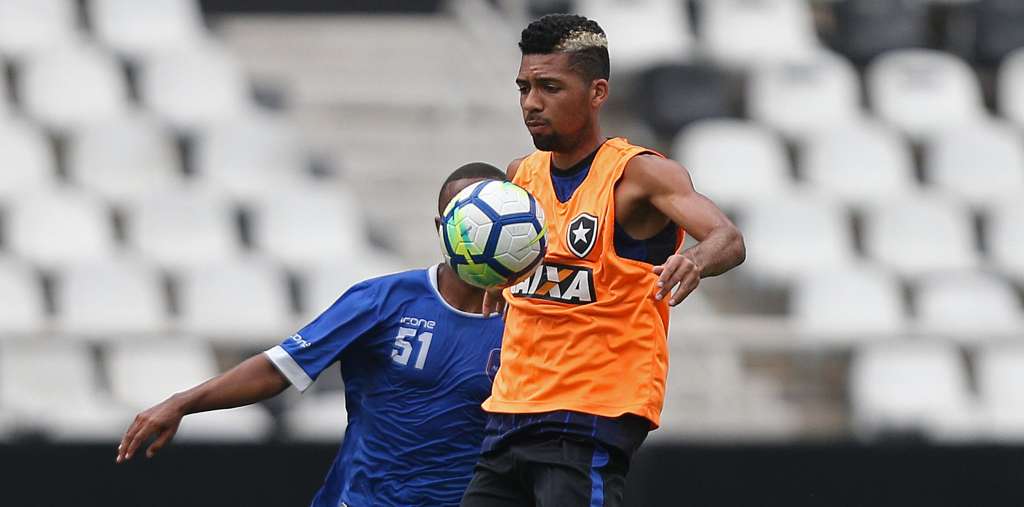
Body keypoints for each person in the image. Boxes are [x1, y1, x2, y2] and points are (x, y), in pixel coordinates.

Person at [460, 14, 746, 507]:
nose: (531, 103)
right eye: (524, 87)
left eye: (550, 87)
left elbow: (728, 238)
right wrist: (494, 278)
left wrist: (695, 260)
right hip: (511, 410)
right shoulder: (519, 179)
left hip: (588, 416)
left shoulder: (641, 175)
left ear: (597, 93)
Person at [116, 163, 511, 507]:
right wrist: (183, 402)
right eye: (464, 219)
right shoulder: (383, 300)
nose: (476, 234)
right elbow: (281, 369)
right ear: (441, 227)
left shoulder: (525, 321)